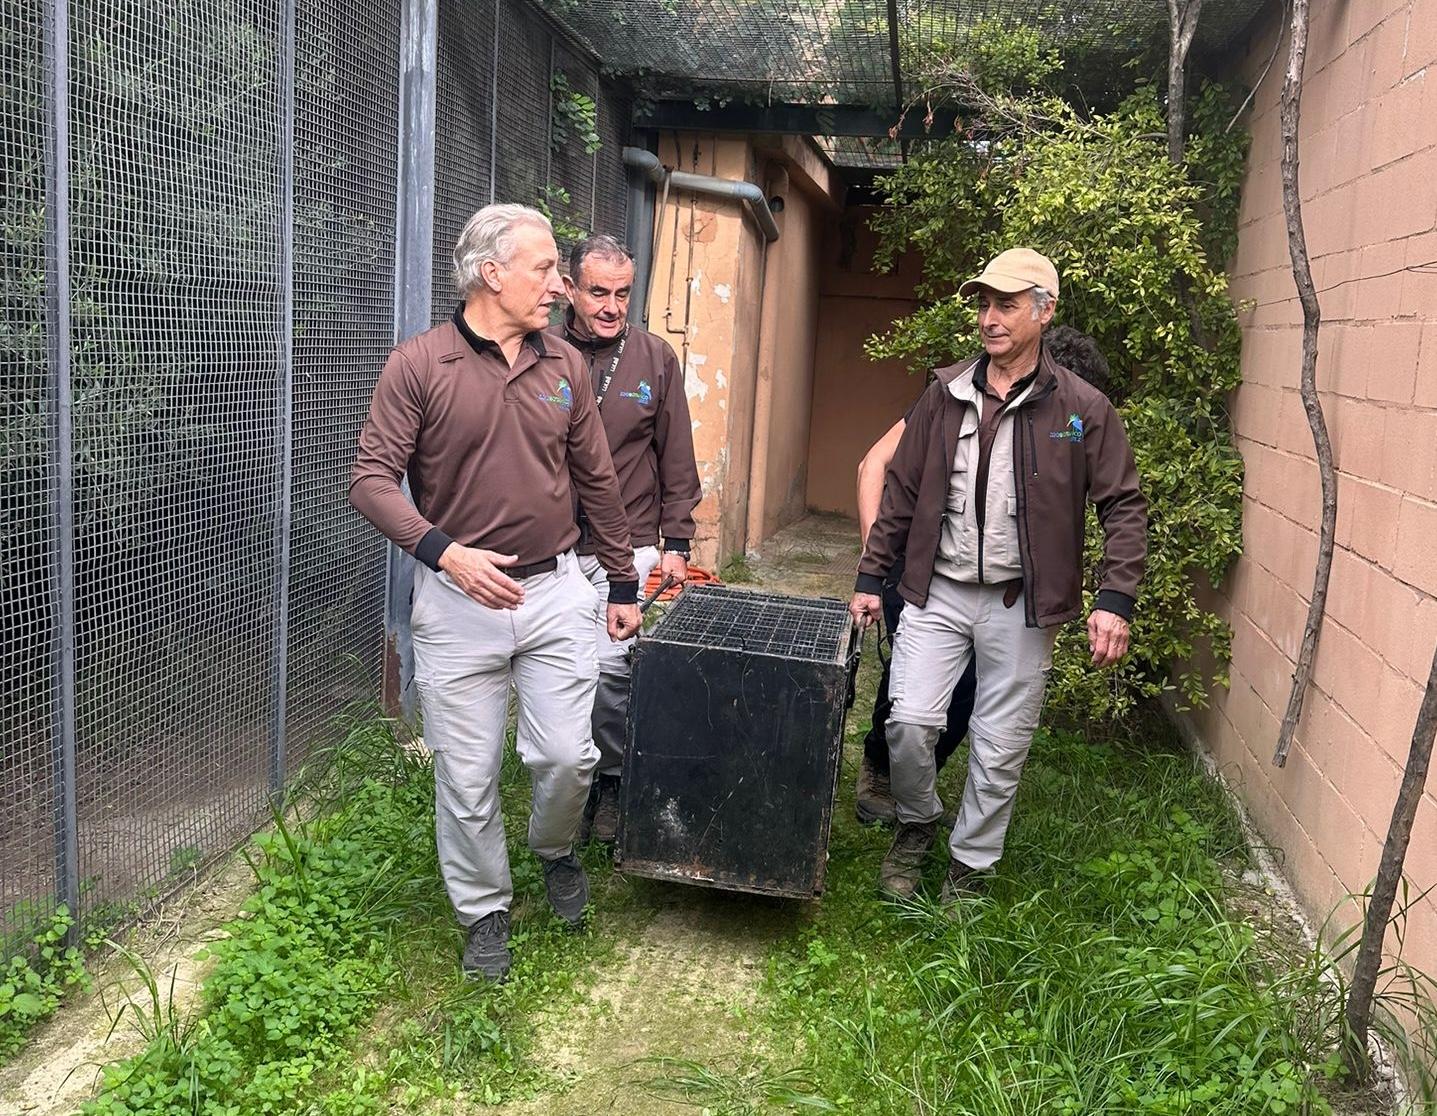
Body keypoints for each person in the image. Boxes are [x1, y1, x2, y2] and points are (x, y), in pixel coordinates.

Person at [350, 204, 641, 982]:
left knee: (566, 755)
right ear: (491, 273)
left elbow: (597, 482)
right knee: (467, 777)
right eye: (545, 269)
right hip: (456, 605)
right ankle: (484, 910)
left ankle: (553, 846)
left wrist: (620, 580)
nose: (560, 284)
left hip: (554, 591)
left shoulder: (564, 366)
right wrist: (444, 554)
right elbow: (370, 481)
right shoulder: (418, 365)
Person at [849, 248, 1147, 903]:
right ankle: (918, 824)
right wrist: (871, 579)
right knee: (908, 724)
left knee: (999, 744)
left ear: (1045, 311)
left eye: (1005, 304)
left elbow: (1121, 502)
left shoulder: (1081, 410)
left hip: (1019, 604)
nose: (989, 317)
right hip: (936, 590)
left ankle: (968, 870)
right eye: (983, 303)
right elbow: (898, 490)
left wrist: (1114, 598)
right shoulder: (944, 394)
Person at [852, 325, 1115, 826]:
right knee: (907, 694)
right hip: (918, 566)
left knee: (966, 697)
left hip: (997, 588)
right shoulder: (951, 400)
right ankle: (881, 771)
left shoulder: (1071, 416)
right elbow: (874, 464)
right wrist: (875, 560)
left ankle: (924, 803)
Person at [551, 234, 700, 844]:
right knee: (566, 672)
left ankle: (610, 782)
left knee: (613, 672)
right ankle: (568, 784)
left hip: (630, 541)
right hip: (555, 545)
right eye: (597, 292)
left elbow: (677, 456)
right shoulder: (540, 351)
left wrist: (678, 543)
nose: (611, 306)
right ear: (568, 288)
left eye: (622, 294)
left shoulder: (654, 358)